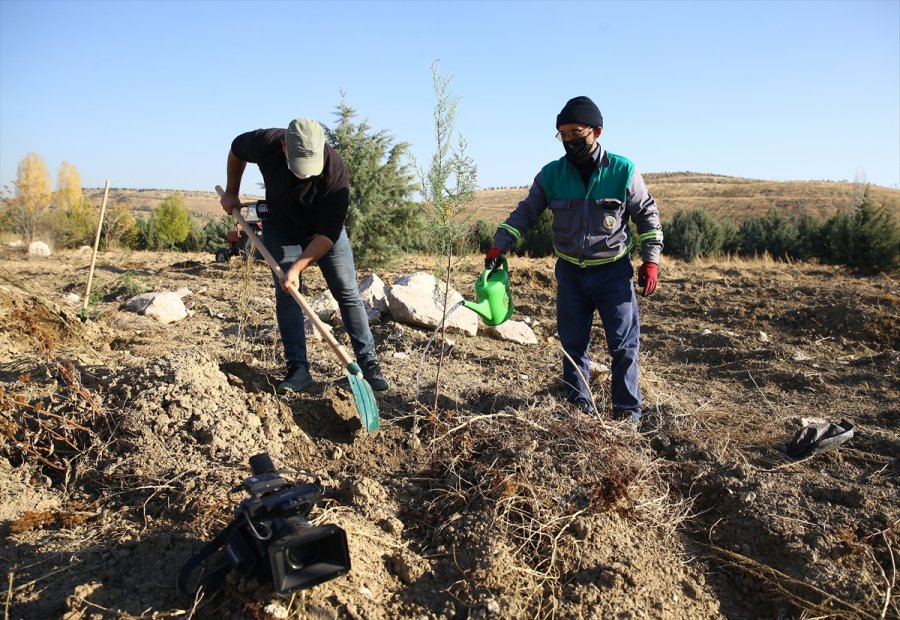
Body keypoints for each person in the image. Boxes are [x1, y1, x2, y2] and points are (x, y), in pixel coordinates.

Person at [485, 96, 662, 422]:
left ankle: (627, 417)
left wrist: (651, 260)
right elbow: (526, 212)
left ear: (596, 131)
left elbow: (647, 216)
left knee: (623, 348)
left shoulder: (623, 171)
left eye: (575, 133)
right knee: (573, 346)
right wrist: (500, 244)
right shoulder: (551, 175)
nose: (569, 140)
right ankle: (578, 413)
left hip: (612, 275)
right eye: (563, 134)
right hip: (571, 275)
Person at [220, 117, 389, 394]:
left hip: (323, 235)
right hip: (281, 228)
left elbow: (327, 235)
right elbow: (236, 150)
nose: (306, 174)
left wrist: (298, 267)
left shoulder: (335, 172)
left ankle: (369, 365)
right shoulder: (265, 143)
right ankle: (298, 370)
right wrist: (232, 192)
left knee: (346, 292)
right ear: (284, 147)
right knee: (287, 294)